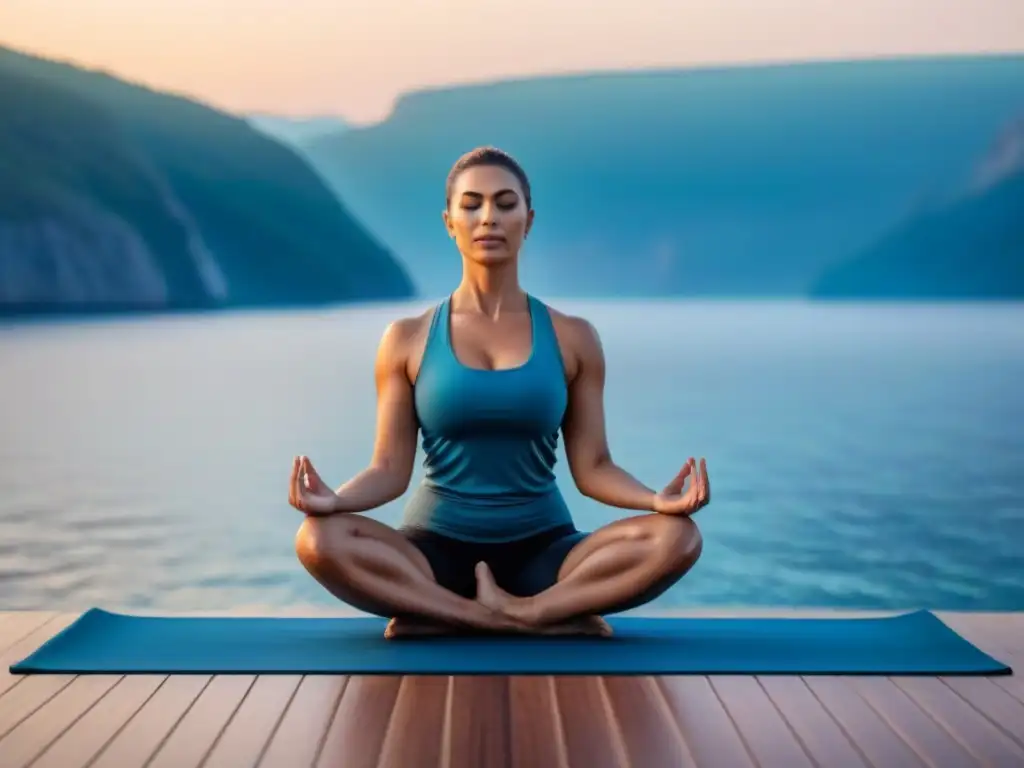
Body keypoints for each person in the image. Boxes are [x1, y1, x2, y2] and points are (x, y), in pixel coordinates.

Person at [288, 146, 710, 639]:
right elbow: (388, 470)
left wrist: (655, 500)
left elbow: (594, 467)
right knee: (317, 540)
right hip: (433, 551)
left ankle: (510, 612)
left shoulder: (573, 337)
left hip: (545, 551)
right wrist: (334, 501)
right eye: (472, 204)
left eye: (505, 203)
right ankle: (501, 614)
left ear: (528, 220)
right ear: (449, 221)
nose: (488, 217)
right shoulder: (406, 338)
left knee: (678, 538)